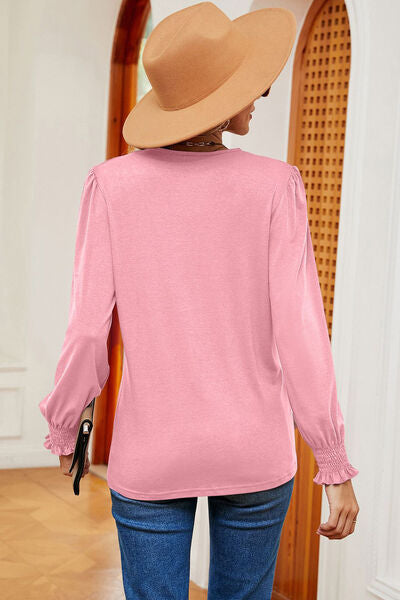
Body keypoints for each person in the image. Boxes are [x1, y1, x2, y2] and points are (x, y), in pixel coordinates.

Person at [39, 3, 360, 599]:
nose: (259, 95)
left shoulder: (111, 185)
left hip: (151, 448)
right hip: (254, 446)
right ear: (219, 102)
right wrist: (333, 460)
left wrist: (66, 427)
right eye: (249, 85)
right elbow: (301, 332)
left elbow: (86, 331)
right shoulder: (277, 185)